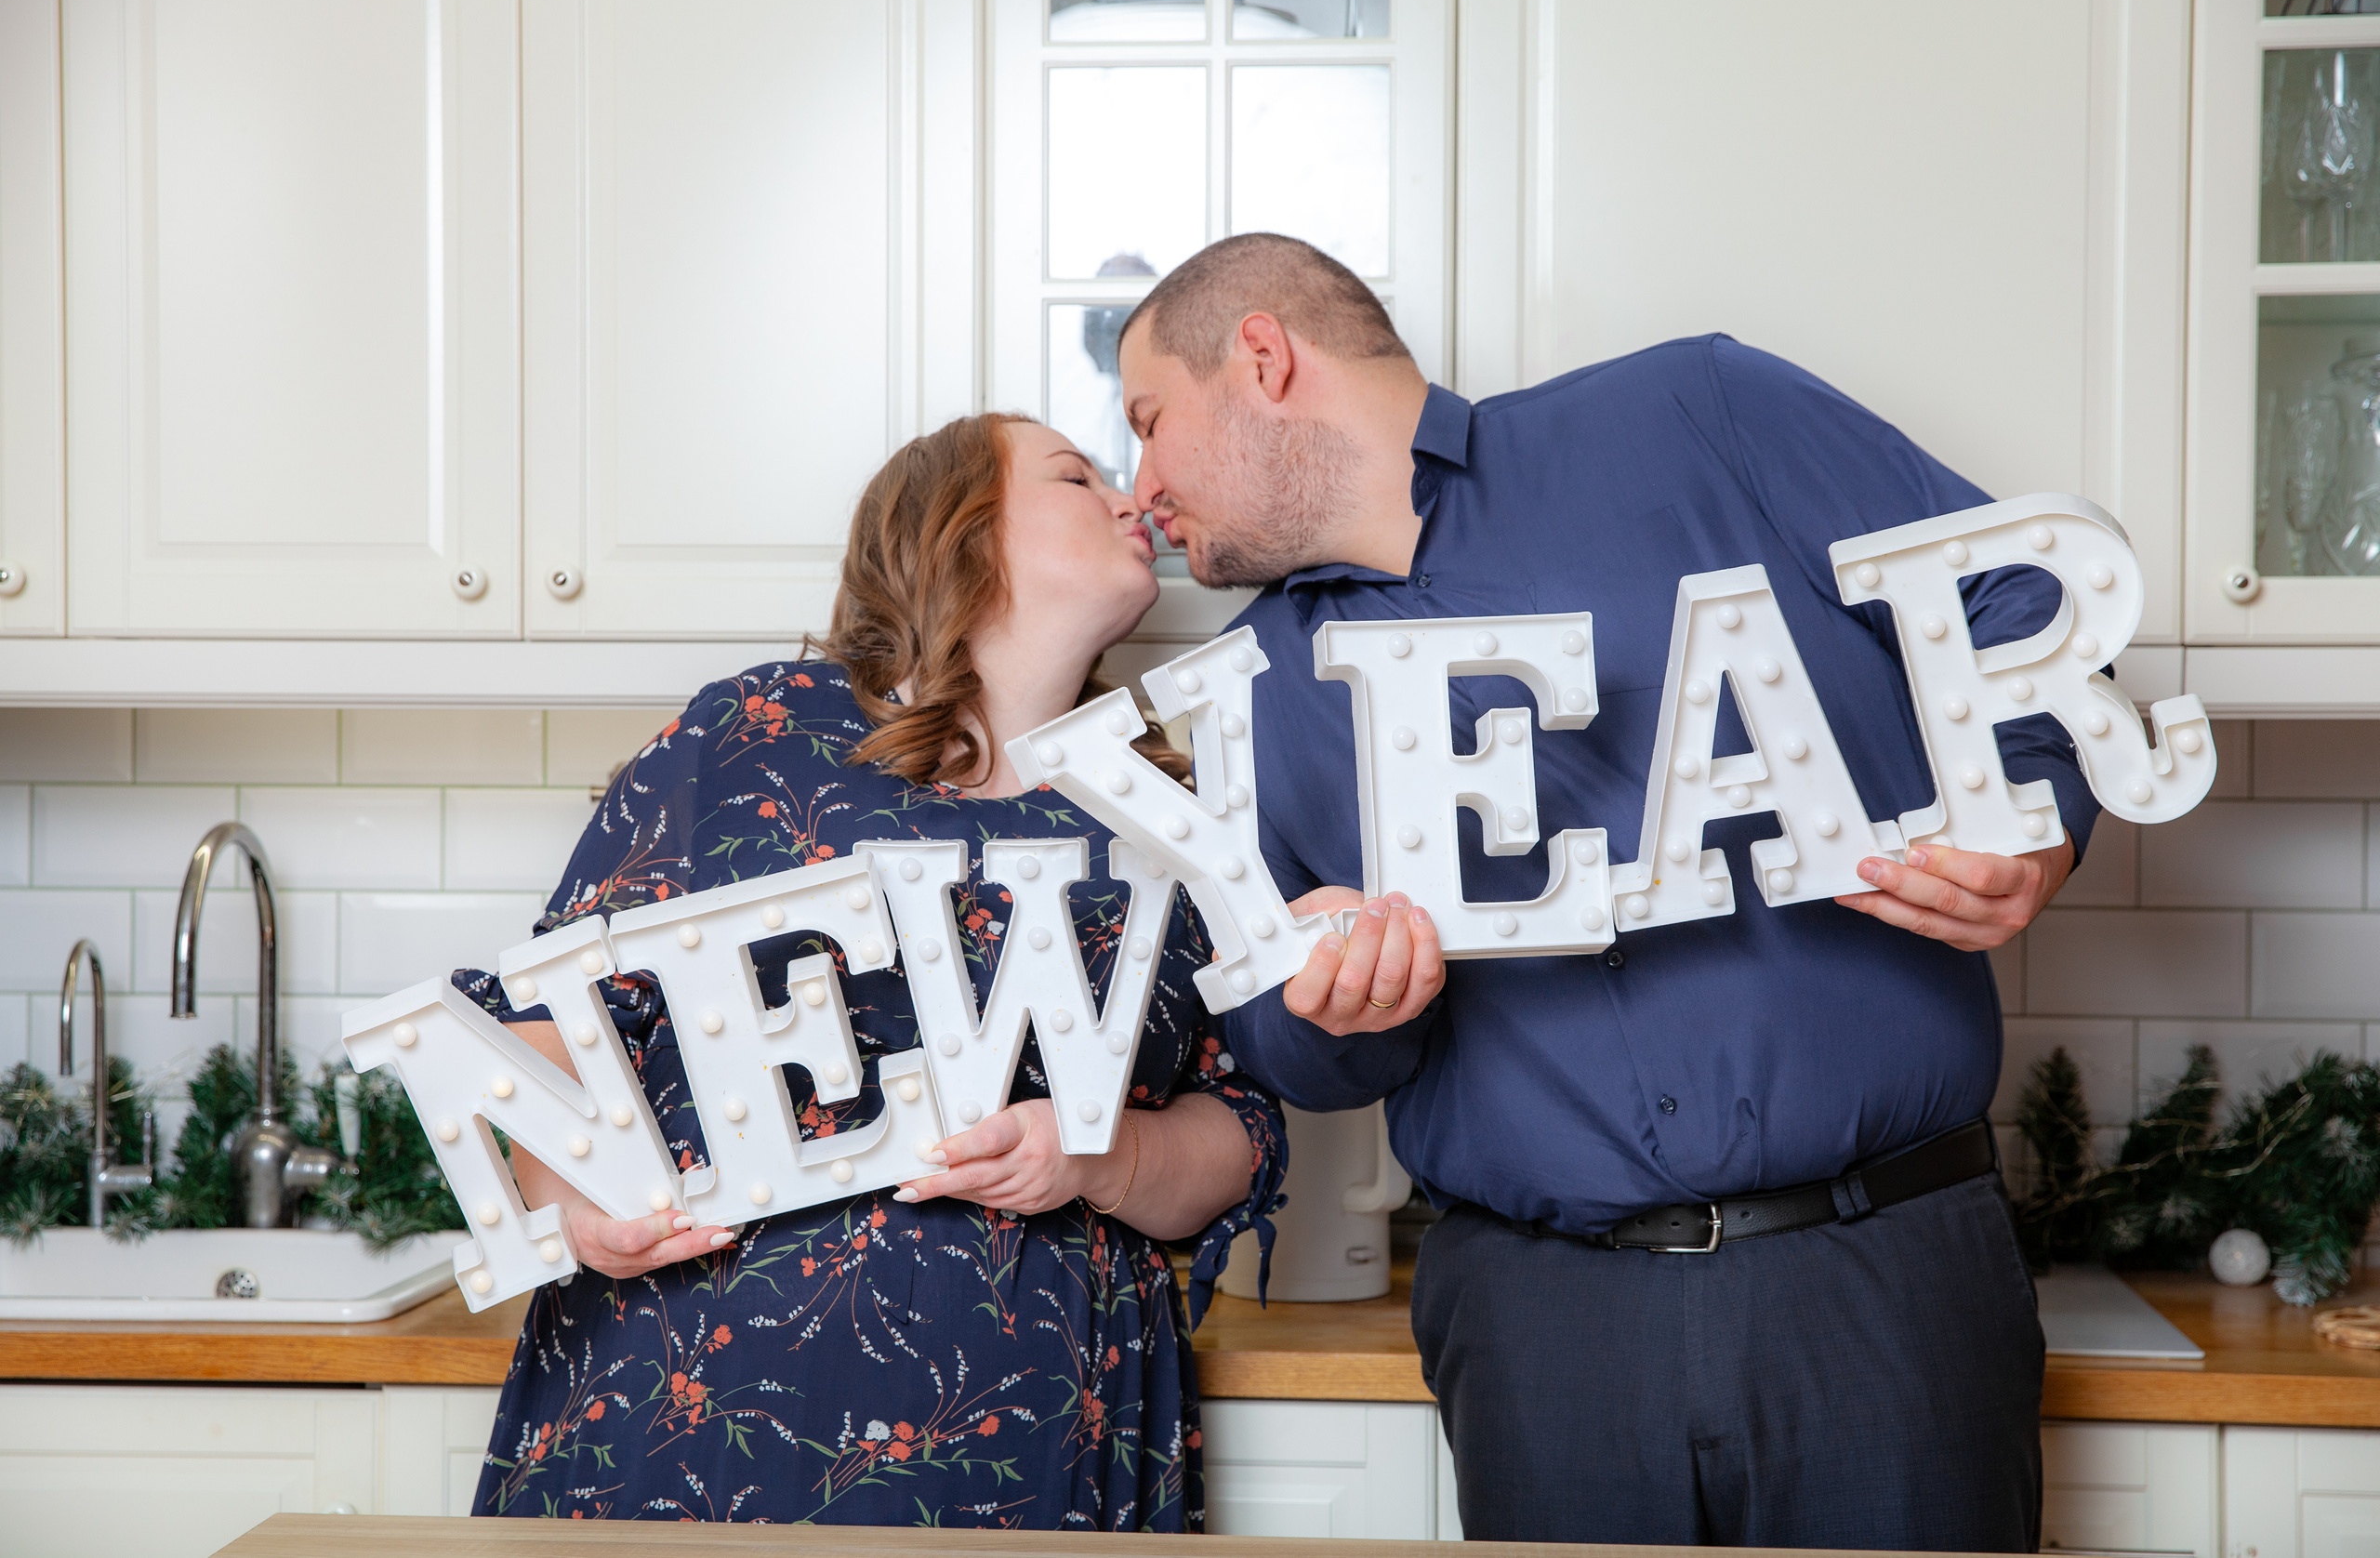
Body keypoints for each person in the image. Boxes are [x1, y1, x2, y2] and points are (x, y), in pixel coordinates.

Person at [1115, 232, 2083, 1551]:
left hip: (1885, 1282)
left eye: (1149, 421)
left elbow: (2019, 593)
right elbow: (1295, 1051)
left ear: (1265, 360)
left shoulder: (1701, 414)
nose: (1140, 485)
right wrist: (1348, 1004)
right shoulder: (1247, 693)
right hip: (1540, 1326)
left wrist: (2031, 814)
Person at [465, 414, 1287, 1529]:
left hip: (1032, 1425)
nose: (1128, 497)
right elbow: (548, 1021)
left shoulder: (1178, 809)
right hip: (685, 1399)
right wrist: (575, 1208)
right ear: (957, 524)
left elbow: (1238, 1127)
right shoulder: (755, 729)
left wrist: (1104, 1155)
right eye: (1073, 475)